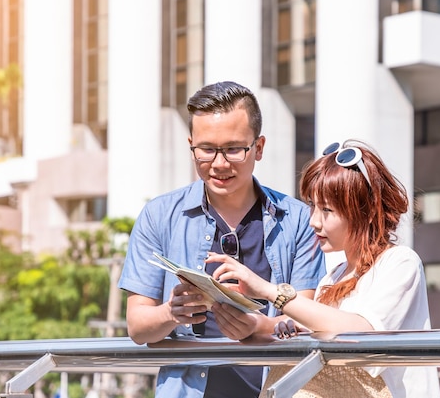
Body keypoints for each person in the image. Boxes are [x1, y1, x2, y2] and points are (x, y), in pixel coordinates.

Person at [118, 80, 325, 398]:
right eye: (206, 149)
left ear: (258, 147)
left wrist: (256, 327)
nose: (219, 163)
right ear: (191, 145)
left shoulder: (296, 219)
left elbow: (304, 319)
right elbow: (137, 326)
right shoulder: (159, 215)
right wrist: (171, 312)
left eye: (233, 149)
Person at [206, 139, 440, 398]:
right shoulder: (335, 274)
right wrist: (270, 327)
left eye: (327, 210)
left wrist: (271, 291)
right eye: (312, 206)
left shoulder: (400, 262)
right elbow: (331, 331)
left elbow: (360, 331)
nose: (314, 222)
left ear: (366, 212)